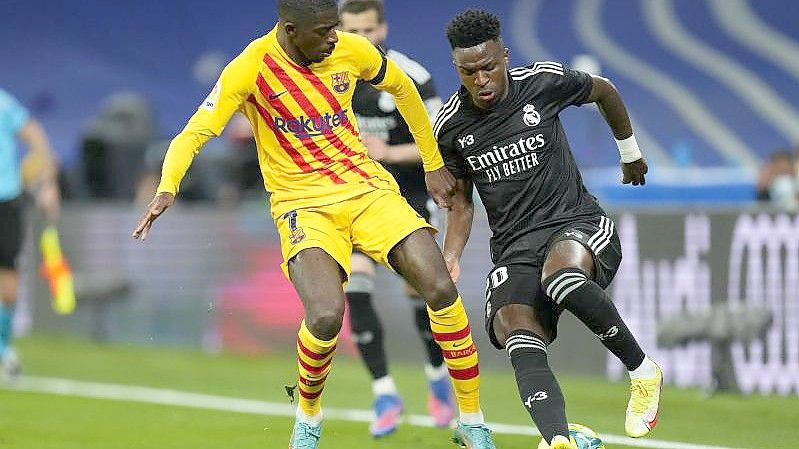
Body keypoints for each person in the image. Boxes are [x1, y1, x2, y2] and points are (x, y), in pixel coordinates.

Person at [131, 1, 495, 448]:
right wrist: (168, 186)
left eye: (335, 30)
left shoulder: (350, 50)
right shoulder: (250, 68)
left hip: (366, 190)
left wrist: (433, 162)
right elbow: (195, 132)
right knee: (325, 315)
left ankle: (473, 422)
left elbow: (404, 89)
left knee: (439, 286)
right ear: (290, 29)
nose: (333, 39)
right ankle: (308, 417)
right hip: (302, 206)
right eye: (323, 31)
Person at [436, 10, 662, 449]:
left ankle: (642, 372)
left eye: (488, 67)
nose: (481, 80)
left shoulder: (541, 83)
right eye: (469, 72)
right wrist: (450, 256)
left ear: (505, 55)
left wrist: (629, 152)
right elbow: (461, 204)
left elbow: (605, 91)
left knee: (560, 278)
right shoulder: (451, 126)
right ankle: (558, 440)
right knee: (512, 328)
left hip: (576, 224)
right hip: (515, 248)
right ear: (457, 70)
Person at [337, 0, 454, 437]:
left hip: (408, 196)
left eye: (370, 30)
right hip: (354, 198)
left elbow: (439, 143)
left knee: (420, 293)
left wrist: (388, 152)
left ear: (383, 29)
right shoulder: (331, 76)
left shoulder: (413, 76)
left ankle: (437, 377)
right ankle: (385, 393)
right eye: (353, 31)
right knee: (357, 286)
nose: (362, 40)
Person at [0, 88, 61, 381]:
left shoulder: (4, 103)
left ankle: (3, 348)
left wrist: (47, 183)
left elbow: (36, 136)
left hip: (7, 201)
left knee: (9, 284)